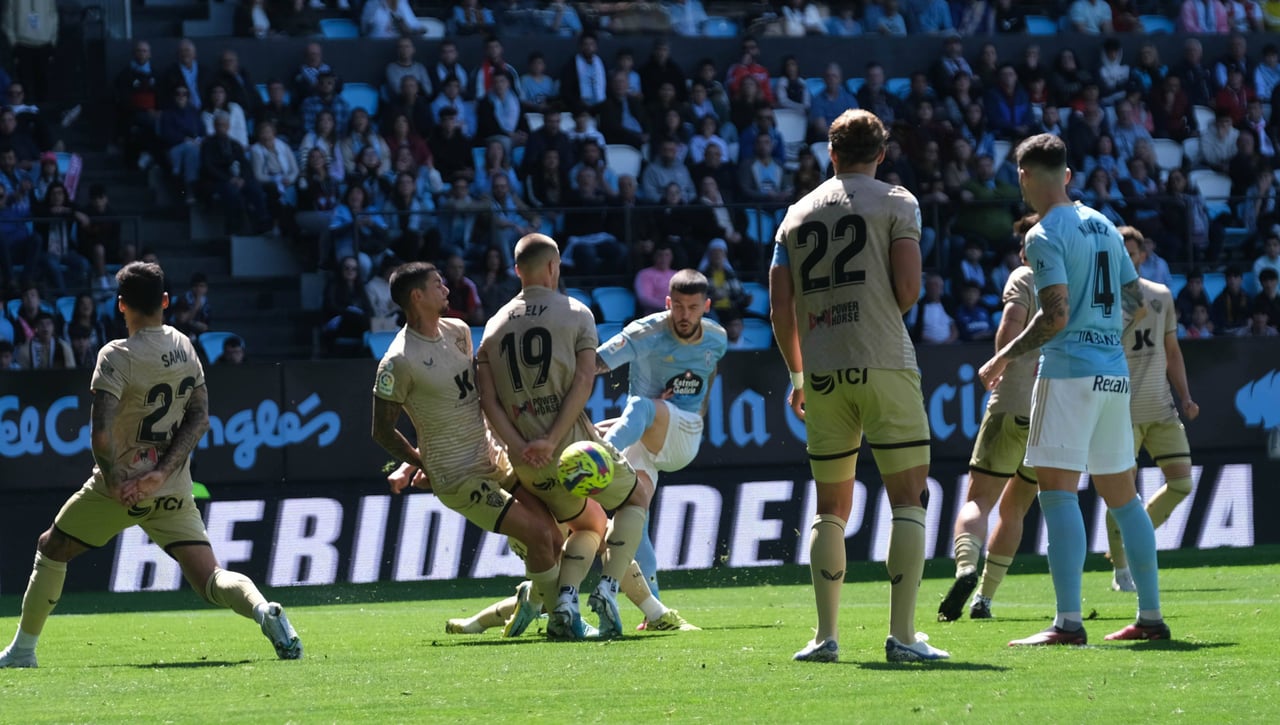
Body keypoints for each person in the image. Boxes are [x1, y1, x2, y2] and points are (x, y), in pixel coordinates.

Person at [0, 262, 301, 668]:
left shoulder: (116, 355)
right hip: (172, 488)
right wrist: (161, 474)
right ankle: (264, 611)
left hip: (118, 488)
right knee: (211, 578)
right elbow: (200, 418)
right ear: (165, 301)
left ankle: (22, 651)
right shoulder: (183, 345)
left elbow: (101, 433)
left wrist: (118, 480)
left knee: (51, 547)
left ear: (121, 305)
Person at [770, 109, 948, 664]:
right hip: (885, 362)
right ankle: (903, 637)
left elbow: (780, 309)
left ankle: (825, 637)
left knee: (830, 508)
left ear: (831, 153)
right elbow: (910, 288)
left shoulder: (795, 215)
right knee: (908, 501)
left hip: (823, 373)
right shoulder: (898, 202)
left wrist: (799, 373)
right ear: (882, 151)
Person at [977, 134, 1168, 646]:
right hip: (1112, 373)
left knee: (1057, 495)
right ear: (1066, 173)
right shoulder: (1106, 224)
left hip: (1068, 373)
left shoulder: (1043, 235)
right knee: (1125, 501)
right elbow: (1136, 301)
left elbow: (1056, 316)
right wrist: (1101, 330)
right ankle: (1150, 617)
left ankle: (1068, 623)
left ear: (1024, 176)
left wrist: (1003, 356)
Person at [370, 261, 569, 636]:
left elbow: (475, 400)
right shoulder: (398, 360)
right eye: (438, 284)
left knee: (555, 539)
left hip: (493, 457)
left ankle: (531, 601)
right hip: (457, 477)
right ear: (417, 296)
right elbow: (381, 432)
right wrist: (418, 462)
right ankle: (563, 621)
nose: (446, 289)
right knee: (540, 538)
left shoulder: (459, 331)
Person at [475, 233, 640, 640]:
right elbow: (584, 380)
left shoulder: (493, 326)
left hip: (528, 463)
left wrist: (518, 445)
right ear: (554, 267)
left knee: (590, 524)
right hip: (572, 446)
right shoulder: (577, 312)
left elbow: (487, 398)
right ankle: (607, 588)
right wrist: (551, 437)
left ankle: (565, 601)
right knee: (636, 496)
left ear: (517, 271)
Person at [593, 269, 728, 629]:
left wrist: (697, 408)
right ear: (667, 303)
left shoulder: (717, 337)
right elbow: (593, 365)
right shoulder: (644, 332)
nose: (684, 315)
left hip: (683, 433)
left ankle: (599, 459)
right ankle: (654, 610)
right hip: (648, 434)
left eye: (693, 308)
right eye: (678, 306)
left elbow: (709, 372)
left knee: (639, 407)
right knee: (634, 519)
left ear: (706, 307)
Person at [939, 215, 1044, 621]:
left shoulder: (1024, 277)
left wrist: (1002, 362)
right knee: (1016, 509)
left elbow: (1010, 325)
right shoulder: (1073, 281)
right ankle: (985, 598)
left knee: (979, 501)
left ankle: (966, 566)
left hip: (1012, 402)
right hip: (1050, 411)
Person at [1104, 226, 1199, 591]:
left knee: (1181, 483)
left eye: (1132, 254)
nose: (1127, 259)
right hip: (1119, 411)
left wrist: (1185, 396)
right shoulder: (1104, 301)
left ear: (1142, 256)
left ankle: (1133, 537)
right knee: (1120, 492)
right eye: (1120, 254)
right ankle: (1121, 573)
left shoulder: (1161, 295)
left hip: (1161, 408)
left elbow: (1172, 351)